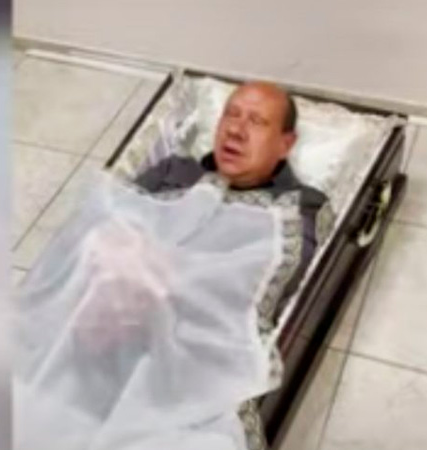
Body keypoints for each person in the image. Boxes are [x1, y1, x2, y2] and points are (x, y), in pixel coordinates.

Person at [133, 81, 332, 450]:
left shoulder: (298, 207)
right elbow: (112, 227)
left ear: (285, 144)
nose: (236, 130)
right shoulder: (172, 172)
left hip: (199, 356)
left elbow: (255, 281)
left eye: (256, 121)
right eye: (232, 114)